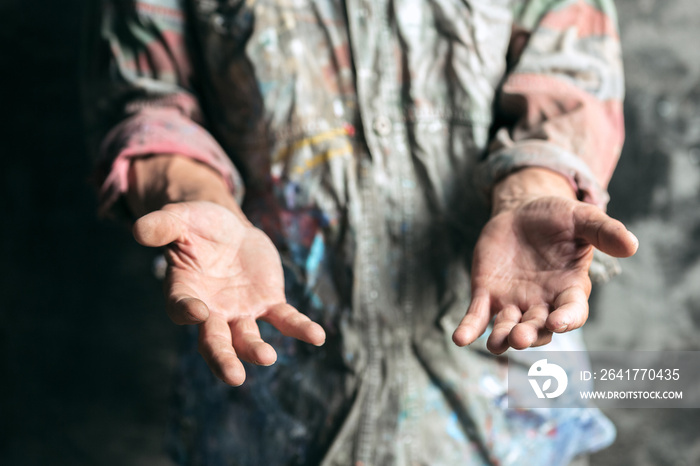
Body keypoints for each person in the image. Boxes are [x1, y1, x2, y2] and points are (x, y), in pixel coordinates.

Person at [84, 0, 639, 464]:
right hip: (267, 380)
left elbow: (572, 83)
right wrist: (199, 200)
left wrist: (530, 189)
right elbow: (146, 98)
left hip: (503, 401)